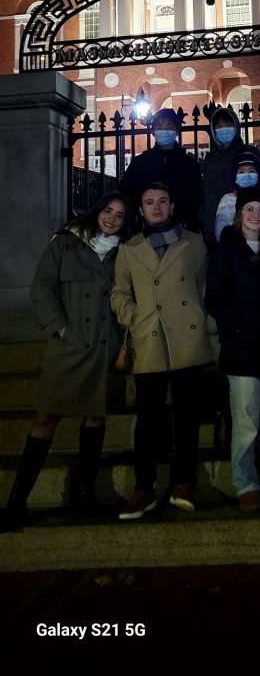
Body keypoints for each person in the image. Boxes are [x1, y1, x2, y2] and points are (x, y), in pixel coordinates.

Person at [2, 193, 134, 531]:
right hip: (69, 346)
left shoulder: (125, 251)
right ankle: (17, 500)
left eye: (120, 215)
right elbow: (42, 288)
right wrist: (59, 329)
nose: (112, 219)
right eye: (107, 210)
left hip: (104, 345)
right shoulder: (66, 242)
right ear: (96, 210)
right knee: (46, 417)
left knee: (95, 418)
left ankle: (84, 493)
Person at [111, 182, 212, 519]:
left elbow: (201, 284)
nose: (156, 207)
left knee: (187, 417)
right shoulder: (129, 248)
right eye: (149, 202)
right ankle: (144, 487)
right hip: (149, 338)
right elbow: (119, 293)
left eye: (162, 201)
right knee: (148, 420)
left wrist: (193, 313)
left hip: (186, 337)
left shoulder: (194, 242)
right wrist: (135, 317)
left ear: (172, 206)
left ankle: (185, 481)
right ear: (140, 210)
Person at [205, 188, 260, 514]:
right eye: (249, 209)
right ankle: (246, 483)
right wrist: (237, 323)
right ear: (239, 213)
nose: (255, 214)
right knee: (245, 421)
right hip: (242, 347)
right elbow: (212, 297)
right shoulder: (226, 250)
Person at [119, 108, 201, 231]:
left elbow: (197, 200)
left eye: (169, 127)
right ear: (153, 131)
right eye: (159, 127)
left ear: (177, 130)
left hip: (182, 229)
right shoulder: (140, 163)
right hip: (145, 228)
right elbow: (125, 195)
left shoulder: (190, 164)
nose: (164, 131)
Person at [200, 105, 260, 248]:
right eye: (219, 126)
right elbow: (204, 193)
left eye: (228, 125)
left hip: (247, 227)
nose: (223, 129)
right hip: (213, 228)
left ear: (236, 127)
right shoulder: (210, 158)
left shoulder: (249, 152)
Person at [214, 146, 260, 244]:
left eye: (252, 171)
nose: (247, 175)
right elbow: (221, 231)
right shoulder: (227, 200)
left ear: (259, 174)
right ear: (234, 175)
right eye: (241, 172)